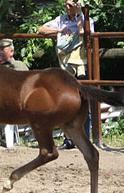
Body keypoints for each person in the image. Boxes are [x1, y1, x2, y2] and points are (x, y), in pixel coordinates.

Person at [38, 0, 95, 150]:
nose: (67, 7)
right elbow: (41, 29)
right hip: (66, 67)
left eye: (71, 4)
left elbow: (83, 32)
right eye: (66, 4)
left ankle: (84, 137)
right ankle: (69, 139)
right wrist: (59, 31)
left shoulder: (87, 20)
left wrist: (79, 14)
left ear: (78, 5)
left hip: (81, 66)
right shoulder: (61, 20)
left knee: (83, 101)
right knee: (64, 102)